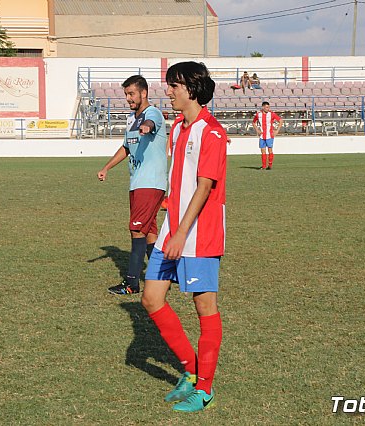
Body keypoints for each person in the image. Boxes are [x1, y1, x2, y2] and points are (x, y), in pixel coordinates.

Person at [142, 61, 227, 413]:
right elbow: (182, 178)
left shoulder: (213, 133)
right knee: (150, 298)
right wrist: (164, 208)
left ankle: (204, 389)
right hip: (171, 229)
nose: (169, 92)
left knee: (203, 306)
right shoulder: (177, 128)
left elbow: (205, 188)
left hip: (198, 235)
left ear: (191, 87)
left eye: (173, 86)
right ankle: (190, 371)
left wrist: (180, 234)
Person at [98, 75, 167, 295]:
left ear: (143, 93)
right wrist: (107, 167)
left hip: (150, 182)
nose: (128, 98)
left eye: (131, 94)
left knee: (136, 230)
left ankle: (131, 283)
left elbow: (152, 122)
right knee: (148, 232)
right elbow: (126, 147)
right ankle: (163, 274)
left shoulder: (152, 113)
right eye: (126, 94)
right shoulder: (131, 119)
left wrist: (146, 127)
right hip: (138, 183)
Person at [252, 100, 283, 170]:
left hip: (269, 135)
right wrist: (257, 130)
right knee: (263, 151)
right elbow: (253, 122)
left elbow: (281, 121)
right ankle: (263, 166)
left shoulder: (272, 114)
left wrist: (277, 131)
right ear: (263, 107)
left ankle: (270, 165)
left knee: (270, 150)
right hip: (262, 136)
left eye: (268, 107)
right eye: (266, 107)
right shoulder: (258, 114)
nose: (268, 109)